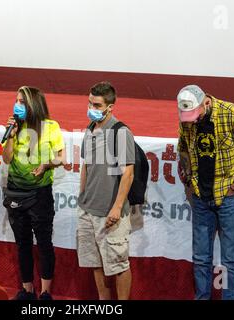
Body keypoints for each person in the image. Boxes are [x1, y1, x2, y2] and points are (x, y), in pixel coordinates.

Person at [177, 84, 234, 300]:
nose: (192, 120)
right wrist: (188, 181)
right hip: (200, 196)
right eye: (188, 116)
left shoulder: (232, 114)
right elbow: (183, 149)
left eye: (195, 114)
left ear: (206, 102)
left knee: (231, 258)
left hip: (228, 197)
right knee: (201, 257)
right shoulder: (187, 119)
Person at [2, 86, 65, 300]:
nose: (17, 105)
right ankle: (27, 290)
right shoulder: (16, 127)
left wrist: (46, 165)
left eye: (21, 102)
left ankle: (46, 291)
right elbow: (7, 158)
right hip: (16, 192)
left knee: (44, 242)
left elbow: (61, 158)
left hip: (39, 194)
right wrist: (10, 135)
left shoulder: (51, 127)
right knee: (23, 243)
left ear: (32, 105)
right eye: (16, 100)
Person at [77, 81, 135, 300]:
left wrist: (117, 208)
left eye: (97, 105)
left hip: (110, 213)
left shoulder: (120, 132)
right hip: (87, 210)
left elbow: (127, 173)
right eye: (90, 103)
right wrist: (82, 197)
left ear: (110, 107)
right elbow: (86, 165)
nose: (92, 108)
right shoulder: (89, 129)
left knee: (119, 265)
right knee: (95, 262)